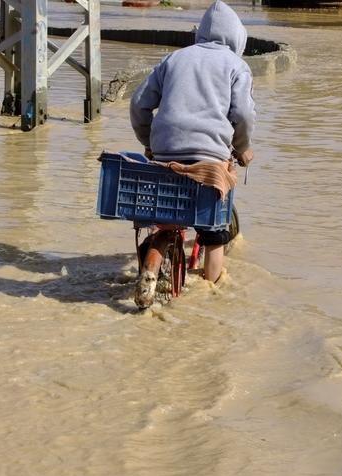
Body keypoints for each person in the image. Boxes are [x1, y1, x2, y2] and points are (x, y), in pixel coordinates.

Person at [129, 0, 256, 308]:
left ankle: (153, 258)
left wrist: (149, 142)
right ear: (237, 38)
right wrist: (242, 148)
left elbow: (139, 104)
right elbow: (242, 115)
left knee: (166, 212)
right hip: (209, 158)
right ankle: (210, 296)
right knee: (214, 232)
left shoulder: (174, 58)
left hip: (164, 153)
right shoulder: (236, 65)